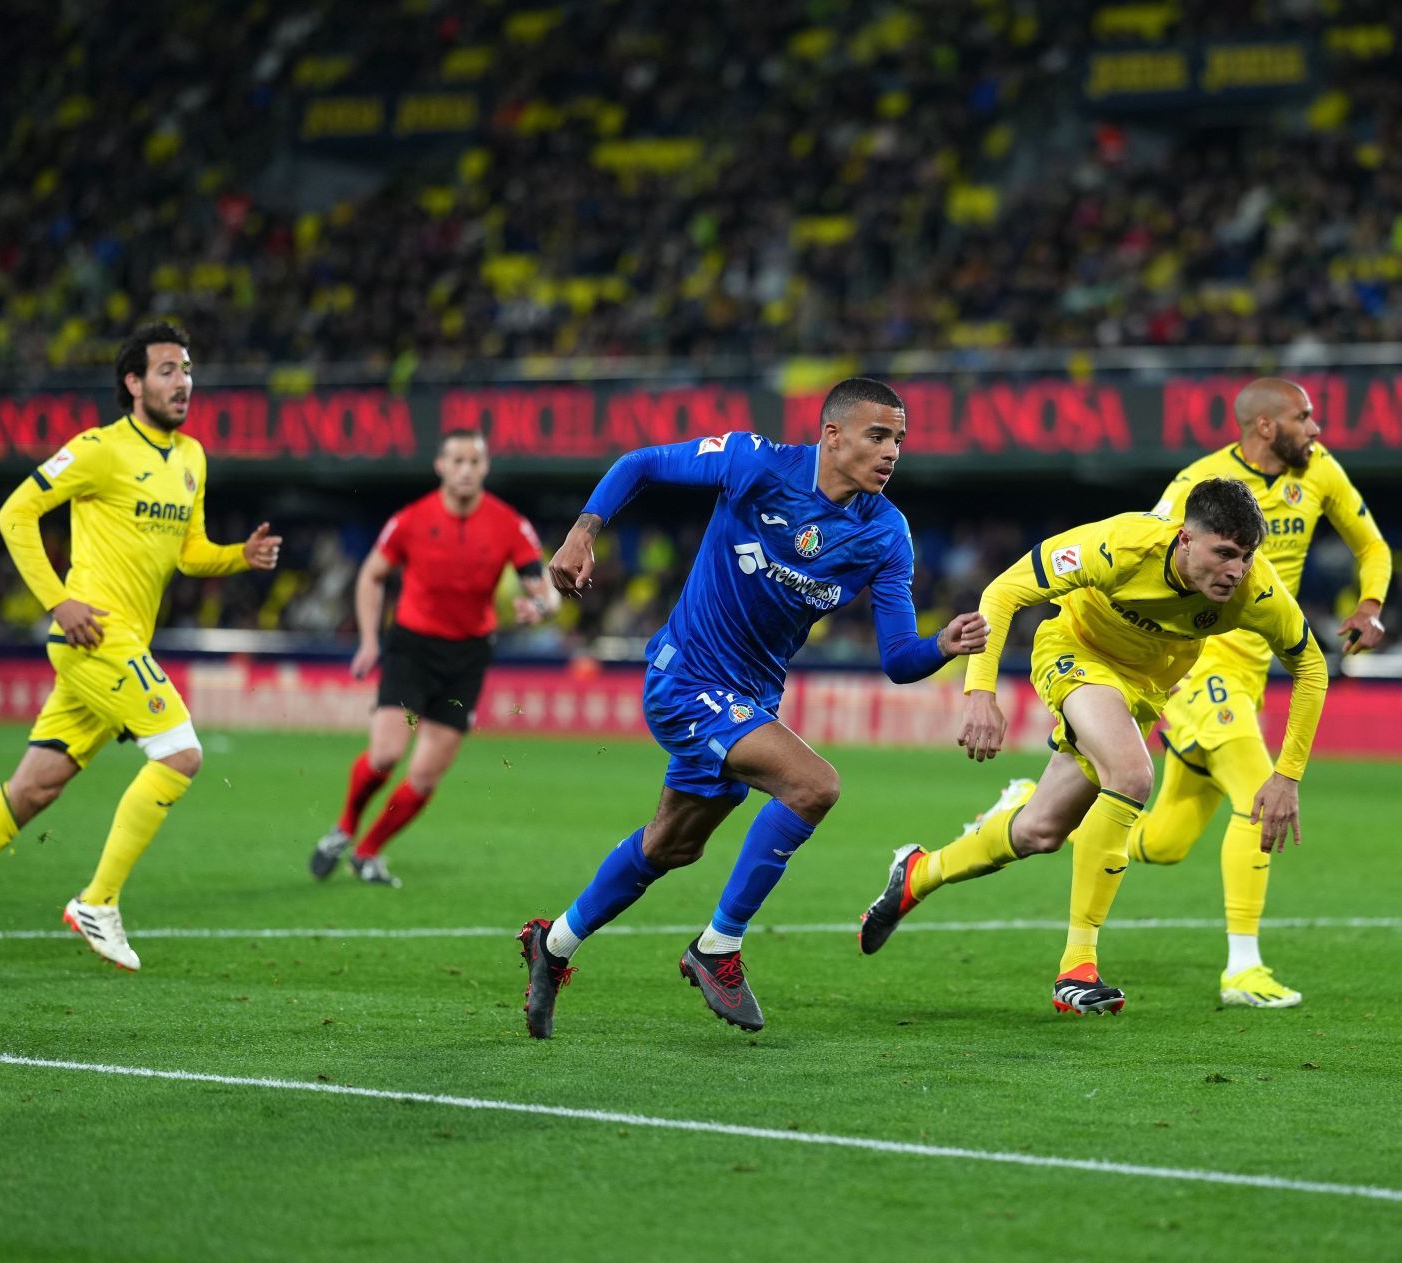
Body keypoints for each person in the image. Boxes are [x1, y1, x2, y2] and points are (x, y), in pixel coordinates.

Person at [518, 377, 987, 1038]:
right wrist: (582, 532)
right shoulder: (756, 462)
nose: (892, 453)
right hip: (685, 678)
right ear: (832, 435)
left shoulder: (885, 534)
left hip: (750, 699)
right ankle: (717, 947)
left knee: (671, 845)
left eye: (899, 440)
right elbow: (640, 463)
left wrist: (942, 644)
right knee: (814, 784)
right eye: (878, 435)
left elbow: (898, 658)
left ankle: (554, 944)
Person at [0, 322, 280, 972]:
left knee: (35, 787)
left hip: (119, 645)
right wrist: (57, 601)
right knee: (180, 752)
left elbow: (188, 554)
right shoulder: (98, 449)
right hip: (92, 632)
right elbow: (14, 512)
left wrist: (240, 556)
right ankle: (98, 901)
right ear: (132, 382)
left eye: (186, 369)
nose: (182, 382)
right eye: (167, 370)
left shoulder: (191, 458)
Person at [857, 477, 1327, 1016]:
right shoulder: (1119, 547)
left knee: (1040, 831)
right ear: (1184, 540)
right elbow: (1004, 592)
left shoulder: (1254, 590)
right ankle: (1077, 968)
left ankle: (918, 872)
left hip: (1143, 689)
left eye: (1246, 556)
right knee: (1132, 775)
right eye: (1224, 553)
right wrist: (980, 690)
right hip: (1075, 654)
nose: (1237, 570)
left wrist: (1287, 774)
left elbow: (1311, 666)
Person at [1122, 377, 1388, 1007]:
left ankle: (1034, 808)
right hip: (1196, 661)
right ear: (1266, 426)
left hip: (1252, 674)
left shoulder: (1320, 473)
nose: (1317, 429)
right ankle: (1243, 968)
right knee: (1257, 793)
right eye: (1305, 417)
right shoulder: (1199, 482)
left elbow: (1370, 544)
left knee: (1163, 844)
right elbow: (1145, 553)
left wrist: (1370, 602)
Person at [310, 430, 558, 887]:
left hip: (468, 657)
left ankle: (368, 853)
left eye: (474, 462)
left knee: (424, 777)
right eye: (457, 461)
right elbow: (371, 576)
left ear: (485, 468)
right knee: (386, 754)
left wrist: (537, 608)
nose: (466, 470)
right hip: (412, 648)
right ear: (441, 466)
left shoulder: (509, 524)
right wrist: (368, 640)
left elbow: (547, 592)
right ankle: (344, 827)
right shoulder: (411, 520)